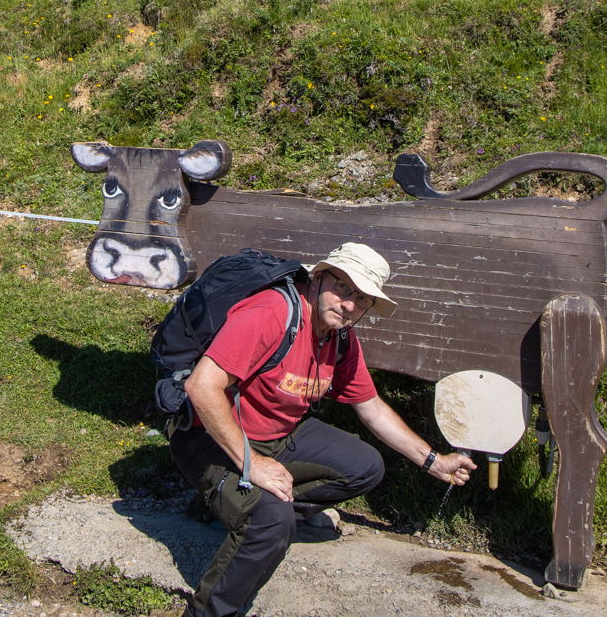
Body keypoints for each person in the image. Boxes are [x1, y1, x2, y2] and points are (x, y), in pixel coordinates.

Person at [169, 242, 477, 617]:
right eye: (343, 288)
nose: (349, 304)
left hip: (278, 437)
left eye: (362, 299)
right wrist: (253, 464)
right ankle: (211, 607)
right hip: (209, 438)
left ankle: (247, 514)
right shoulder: (272, 313)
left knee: (365, 465)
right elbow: (201, 387)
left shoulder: (340, 337)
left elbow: (373, 409)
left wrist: (434, 461)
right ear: (318, 277)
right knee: (272, 523)